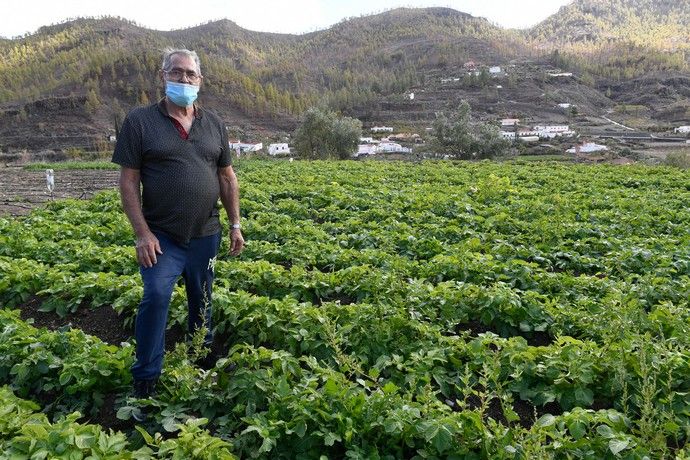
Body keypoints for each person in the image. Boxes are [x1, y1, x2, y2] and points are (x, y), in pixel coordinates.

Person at [112, 48, 244, 403]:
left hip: (206, 234)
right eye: (176, 72)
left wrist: (235, 224)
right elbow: (128, 182)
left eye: (190, 74)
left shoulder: (214, 123)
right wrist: (141, 233)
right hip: (161, 237)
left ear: (200, 80)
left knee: (202, 299)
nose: (183, 79)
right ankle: (146, 379)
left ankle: (199, 356)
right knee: (155, 296)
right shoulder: (140, 121)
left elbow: (227, 178)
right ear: (163, 75)